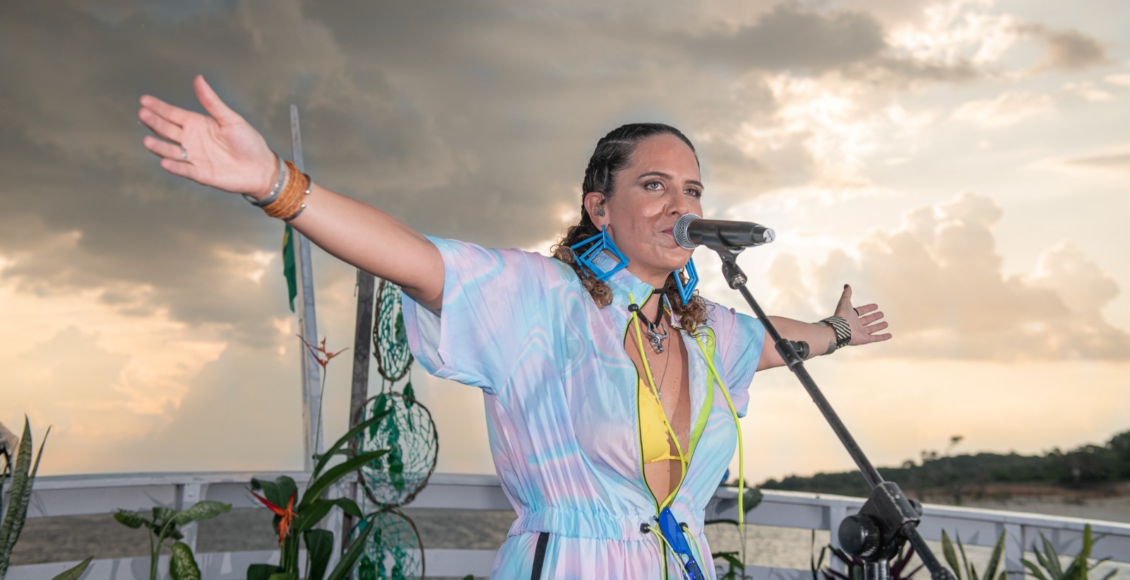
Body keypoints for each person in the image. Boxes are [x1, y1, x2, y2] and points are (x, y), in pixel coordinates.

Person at [138, 75, 891, 580]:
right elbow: (413, 259)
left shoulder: (707, 332)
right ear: (600, 208)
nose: (680, 205)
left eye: (691, 190)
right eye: (654, 185)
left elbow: (779, 341)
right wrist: (275, 183)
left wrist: (839, 329)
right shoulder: (537, 298)